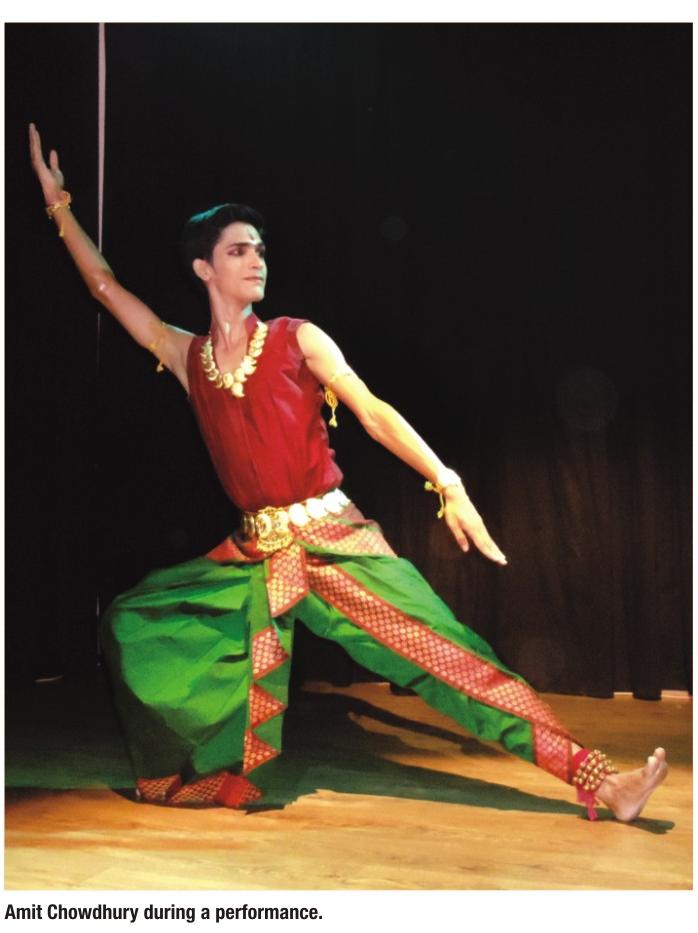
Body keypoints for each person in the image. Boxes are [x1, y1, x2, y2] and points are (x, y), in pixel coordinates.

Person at [29, 122, 668, 821]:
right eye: (238, 250)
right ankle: (211, 766)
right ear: (203, 269)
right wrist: (59, 204)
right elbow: (103, 285)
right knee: (135, 620)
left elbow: (374, 412)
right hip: (253, 559)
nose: (256, 259)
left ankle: (601, 779)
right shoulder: (187, 357)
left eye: (260, 249)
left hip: (335, 543)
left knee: (450, 655)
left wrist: (447, 481)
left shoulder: (297, 338)